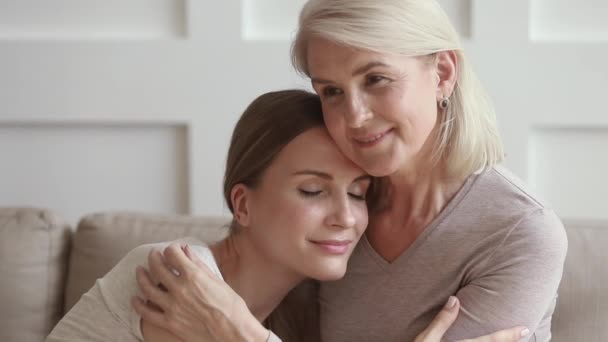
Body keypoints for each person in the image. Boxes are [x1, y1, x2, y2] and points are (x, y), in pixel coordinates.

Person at [133, 1, 568, 341]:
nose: (355, 116)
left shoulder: (520, 231)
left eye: (376, 79)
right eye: (332, 91)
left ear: (442, 73)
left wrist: (235, 332)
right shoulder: (333, 210)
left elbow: (230, 324)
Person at [45, 90, 493, 342]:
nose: (346, 218)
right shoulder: (175, 276)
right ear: (243, 204)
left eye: (358, 194)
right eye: (313, 190)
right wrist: (237, 330)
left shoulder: (297, 311)